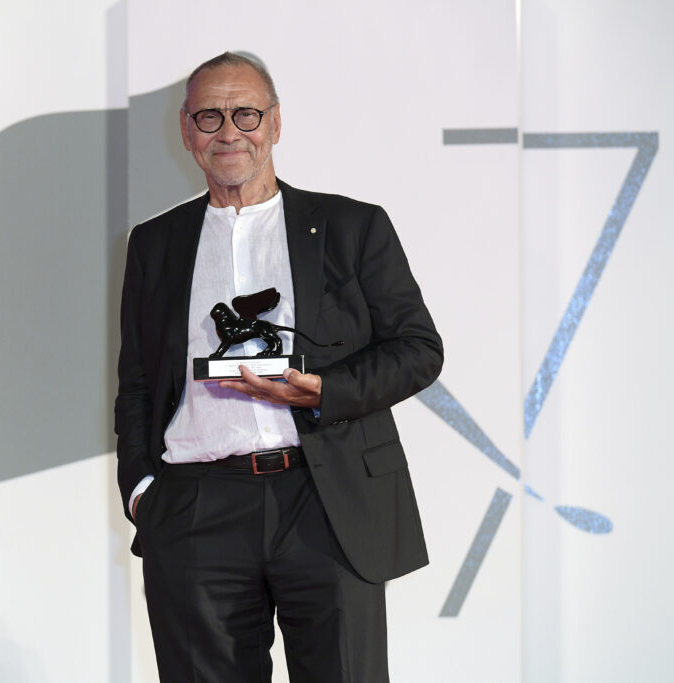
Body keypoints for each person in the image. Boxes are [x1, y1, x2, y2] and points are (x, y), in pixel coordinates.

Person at [115, 52, 443, 682]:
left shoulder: (351, 226)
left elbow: (418, 349)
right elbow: (137, 382)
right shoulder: (154, 243)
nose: (229, 132)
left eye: (246, 114)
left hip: (325, 498)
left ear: (275, 122)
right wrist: (142, 493)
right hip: (195, 507)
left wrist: (325, 391)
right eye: (209, 117)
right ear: (186, 129)